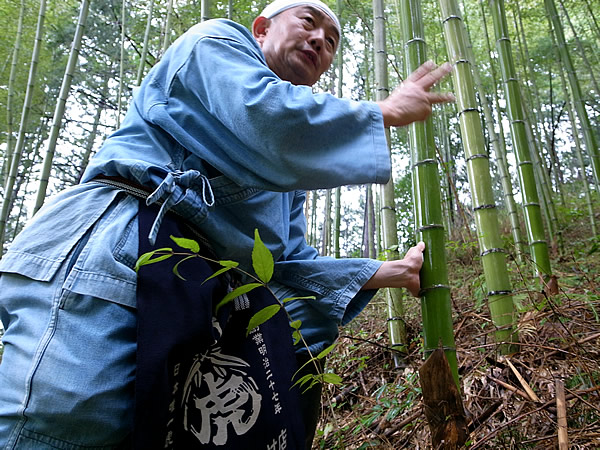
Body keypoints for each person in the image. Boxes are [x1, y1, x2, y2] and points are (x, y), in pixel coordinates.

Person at [0, 0, 454, 448]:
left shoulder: (286, 183)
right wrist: (381, 113)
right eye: (308, 22)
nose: (320, 40)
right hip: (118, 243)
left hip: (193, 286)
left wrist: (390, 272)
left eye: (332, 42)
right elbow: (266, 119)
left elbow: (287, 264)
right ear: (260, 29)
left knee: (146, 429)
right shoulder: (215, 42)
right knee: (67, 424)